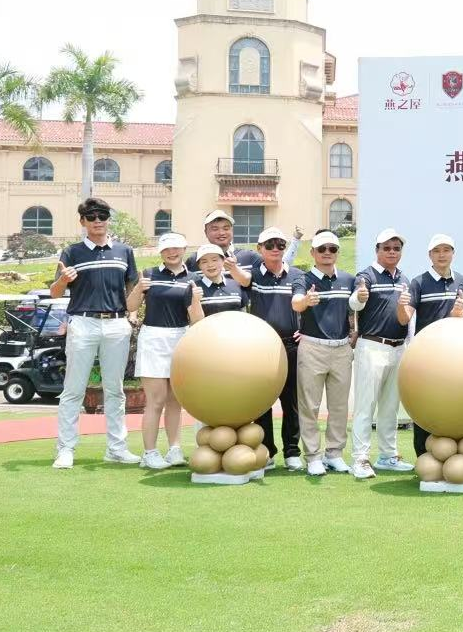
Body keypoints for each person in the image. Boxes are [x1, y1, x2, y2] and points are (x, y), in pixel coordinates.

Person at [50, 196, 141, 469]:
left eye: (102, 216)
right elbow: (54, 293)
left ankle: (117, 448)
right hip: (83, 322)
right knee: (73, 389)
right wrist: (63, 280)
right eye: (91, 217)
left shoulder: (124, 251)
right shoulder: (71, 253)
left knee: (115, 390)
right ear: (83, 221)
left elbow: (132, 287)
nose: (97, 221)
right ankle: (65, 449)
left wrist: (132, 316)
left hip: (116, 324)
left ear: (108, 219)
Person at [232, 227, 302, 470]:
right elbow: (242, 278)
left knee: (291, 401)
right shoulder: (254, 275)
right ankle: (267, 451)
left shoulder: (296, 275)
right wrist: (232, 267)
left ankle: (292, 451)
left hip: (291, 345)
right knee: (263, 402)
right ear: (259, 249)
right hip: (262, 347)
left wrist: (304, 328)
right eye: (269, 245)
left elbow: (306, 304)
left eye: (280, 245)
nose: (275, 249)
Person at [291, 229, 358, 477]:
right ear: (313, 252)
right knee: (309, 405)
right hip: (312, 347)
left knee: (339, 406)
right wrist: (306, 301)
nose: (327, 253)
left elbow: (354, 310)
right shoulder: (304, 280)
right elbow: (296, 303)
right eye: (322, 249)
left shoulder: (348, 280)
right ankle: (313, 457)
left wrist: (354, 332)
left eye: (332, 249)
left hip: (341, 348)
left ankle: (334, 454)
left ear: (337, 252)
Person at [348, 228, 413, 480]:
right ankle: (360, 458)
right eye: (386, 248)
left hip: (398, 347)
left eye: (396, 248)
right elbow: (355, 302)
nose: (392, 252)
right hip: (372, 346)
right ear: (377, 250)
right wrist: (359, 297)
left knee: (390, 406)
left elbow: (407, 314)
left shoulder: (404, 278)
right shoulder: (366, 276)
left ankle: (387, 456)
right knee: (366, 406)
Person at [397, 233, 463, 460]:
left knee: (453, 405)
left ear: (453, 254)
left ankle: (454, 455)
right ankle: (424, 456)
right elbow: (404, 318)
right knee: (426, 406)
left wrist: (457, 314)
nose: (441, 255)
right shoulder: (419, 282)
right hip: (426, 357)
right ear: (430, 255)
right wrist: (400, 306)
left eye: (446, 250)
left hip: (454, 357)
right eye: (437, 251)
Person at [127, 232, 194, 469]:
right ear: (161, 253)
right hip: (154, 338)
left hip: (182, 337)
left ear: (184, 249)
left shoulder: (192, 278)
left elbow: (195, 313)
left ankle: (175, 449)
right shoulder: (149, 274)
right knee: (156, 400)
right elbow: (131, 305)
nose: (171, 253)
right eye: (166, 249)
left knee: (176, 400)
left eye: (176, 248)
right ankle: (150, 452)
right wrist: (138, 289)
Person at [185, 210, 301, 275]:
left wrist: (295, 240)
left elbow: (279, 265)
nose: (221, 233)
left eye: (226, 228)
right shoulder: (194, 260)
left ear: (232, 230)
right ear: (206, 232)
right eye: (215, 229)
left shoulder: (249, 257)